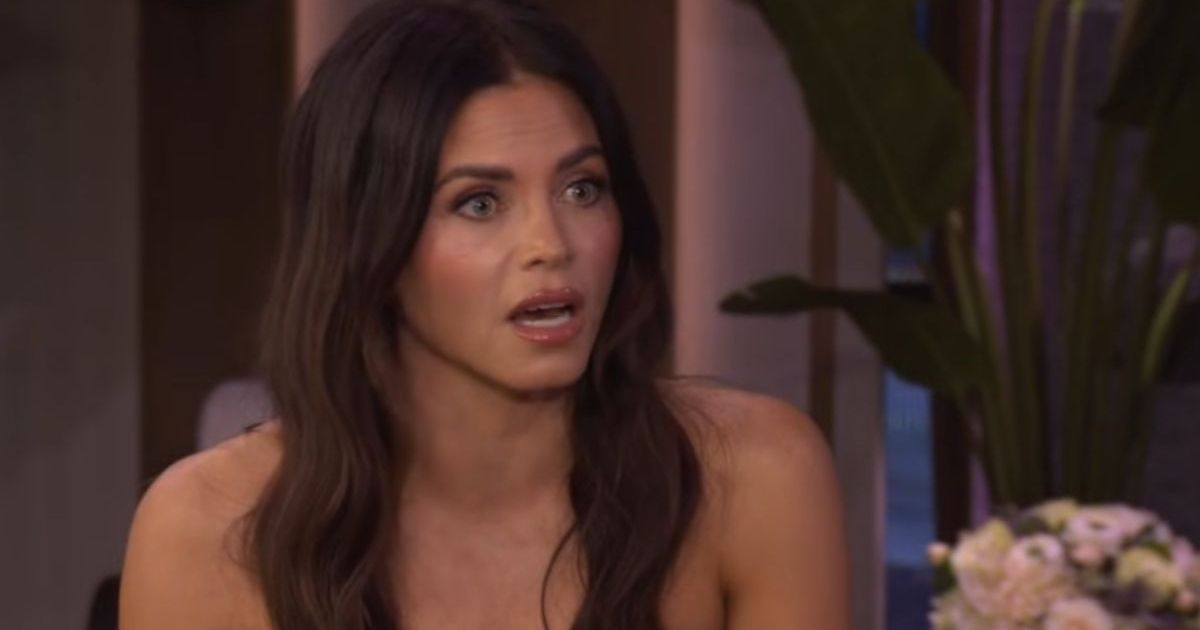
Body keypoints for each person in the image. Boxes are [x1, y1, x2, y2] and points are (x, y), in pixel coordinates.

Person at [118, 1, 849, 628]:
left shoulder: (754, 480)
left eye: (582, 189)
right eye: (479, 203)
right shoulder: (205, 529)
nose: (551, 244)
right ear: (368, 243)